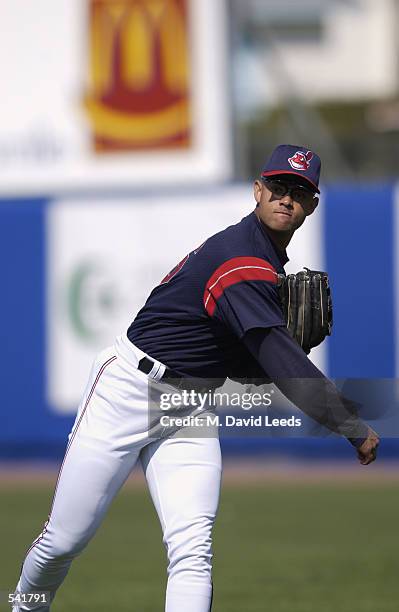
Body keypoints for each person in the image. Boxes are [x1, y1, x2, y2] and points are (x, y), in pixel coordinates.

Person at [12, 144, 379, 612]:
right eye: (279, 187)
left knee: (192, 550)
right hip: (127, 389)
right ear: (257, 190)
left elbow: (245, 365)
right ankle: (24, 605)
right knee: (63, 540)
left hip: (191, 407)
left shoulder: (264, 263)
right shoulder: (239, 261)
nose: (287, 198)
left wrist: (277, 355)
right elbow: (281, 364)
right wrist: (350, 425)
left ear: (312, 205)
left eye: (300, 192)